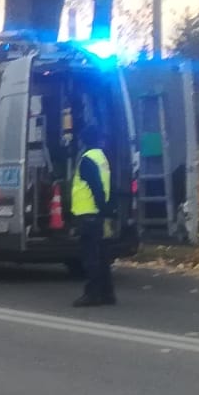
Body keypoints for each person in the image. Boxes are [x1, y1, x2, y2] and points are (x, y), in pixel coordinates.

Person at [70, 125, 115, 308]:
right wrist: (107, 211)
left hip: (89, 214)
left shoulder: (87, 160)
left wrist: (101, 210)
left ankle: (92, 294)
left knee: (91, 257)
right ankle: (107, 293)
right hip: (98, 215)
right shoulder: (101, 158)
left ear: (84, 140)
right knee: (102, 255)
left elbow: (95, 187)